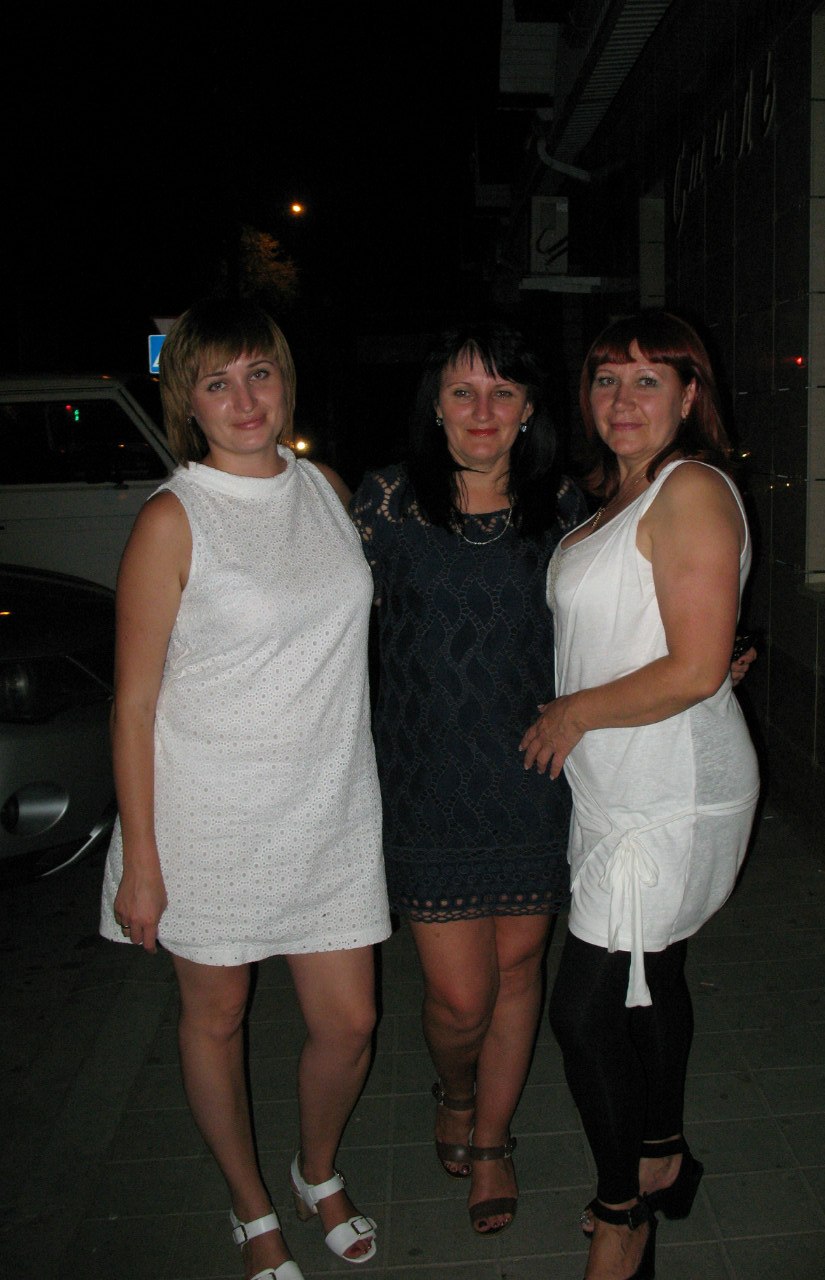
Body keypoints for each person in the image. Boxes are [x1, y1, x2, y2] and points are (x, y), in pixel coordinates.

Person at [99, 298, 390, 1279]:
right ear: (187, 401)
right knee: (215, 1017)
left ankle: (316, 1167)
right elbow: (133, 704)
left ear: (285, 380)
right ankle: (250, 1205)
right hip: (209, 816)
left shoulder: (324, 488)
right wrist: (142, 861)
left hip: (329, 808)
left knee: (350, 1023)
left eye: (259, 372)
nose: (244, 398)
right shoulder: (172, 518)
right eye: (216, 382)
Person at [520, 310, 760, 1280]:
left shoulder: (690, 487)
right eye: (607, 378)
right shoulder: (616, 494)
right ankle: (661, 1150)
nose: (622, 398)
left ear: (690, 396)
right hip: (617, 786)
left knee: (584, 1011)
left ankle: (623, 1209)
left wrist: (571, 711)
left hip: (670, 788)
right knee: (651, 975)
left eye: (649, 379)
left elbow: (696, 667)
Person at [348, 324, 589, 1235]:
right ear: (437, 407)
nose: (482, 410)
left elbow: (614, 618)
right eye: (462, 392)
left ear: (529, 410)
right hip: (423, 777)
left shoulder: (563, 506)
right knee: (459, 997)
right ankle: (454, 1087)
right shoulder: (388, 501)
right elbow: (325, 619)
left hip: (532, 772)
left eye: (502, 392)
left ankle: (491, 1137)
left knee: (519, 968)